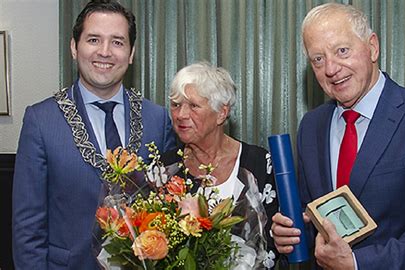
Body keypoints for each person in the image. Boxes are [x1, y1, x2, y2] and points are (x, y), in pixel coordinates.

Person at [271, 3, 405, 269]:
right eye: (318, 59)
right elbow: (313, 217)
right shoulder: (311, 126)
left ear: (372, 47)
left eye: (342, 51)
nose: (330, 68)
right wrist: (289, 235)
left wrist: (358, 263)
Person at [12, 1, 175, 269]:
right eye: (94, 39)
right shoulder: (41, 121)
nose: (105, 52)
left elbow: (169, 209)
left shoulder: (157, 119)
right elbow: (27, 228)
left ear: (132, 53)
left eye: (118, 42)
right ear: (74, 47)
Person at [160, 62, 279, 269]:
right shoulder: (165, 167)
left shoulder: (260, 163)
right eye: (176, 104)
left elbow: (274, 244)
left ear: (222, 113)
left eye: (193, 106)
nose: (180, 115)